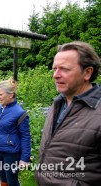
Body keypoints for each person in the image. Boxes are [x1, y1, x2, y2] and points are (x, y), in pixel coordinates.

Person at [34, 41, 101, 186]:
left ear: (87, 72)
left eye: (64, 69)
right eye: (54, 69)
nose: (55, 75)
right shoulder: (57, 104)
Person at [0, 77, 31, 186]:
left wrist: (24, 159)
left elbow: (25, 137)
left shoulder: (20, 113)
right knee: (3, 178)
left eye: (0, 94)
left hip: (12, 153)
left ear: (11, 95)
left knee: (12, 181)